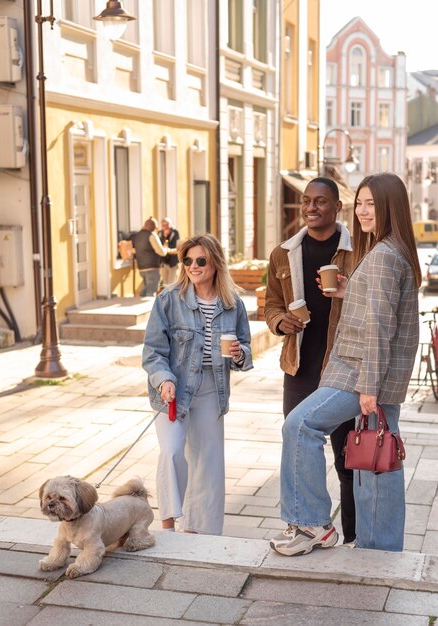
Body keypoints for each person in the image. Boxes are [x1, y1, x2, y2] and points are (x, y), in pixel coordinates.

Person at [270, 173, 421, 556]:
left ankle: (310, 524)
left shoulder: (385, 255)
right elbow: (377, 308)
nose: (363, 211)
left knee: (300, 425)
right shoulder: (389, 249)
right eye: (361, 203)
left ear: (390, 207)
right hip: (371, 373)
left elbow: (379, 326)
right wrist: (346, 290)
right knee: (375, 459)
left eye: (371, 204)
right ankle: (378, 547)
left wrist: (369, 385)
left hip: (360, 373)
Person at [264, 176, 356, 544]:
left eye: (320, 202)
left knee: (349, 460)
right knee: (298, 446)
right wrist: (278, 321)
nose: (311, 208)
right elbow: (271, 303)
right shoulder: (283, 254)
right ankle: (305, 525)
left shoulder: (356, 250)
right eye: (306, 201)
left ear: (337, 207)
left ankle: (355, 536)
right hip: (300, 368)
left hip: (342, 368)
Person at [142, 234, 253, 534]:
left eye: (201, 260)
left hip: (211, 387)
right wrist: (164, 379)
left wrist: (240, 353)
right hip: (173, 389)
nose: (193, 266)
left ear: (216, 263)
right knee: (172, 452)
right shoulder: (168, 299)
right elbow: (153, 352)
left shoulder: (232, 304)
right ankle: (167, 527)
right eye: (188, 260)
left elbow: (245, 349)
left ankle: (200, 532)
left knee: (208, 463)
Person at [133, 218, 168, 297]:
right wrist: (165, 248)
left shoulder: (137, 235)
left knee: (144, 290)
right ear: (153, 227)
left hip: (141, 267)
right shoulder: (152, 235)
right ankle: (150, 308)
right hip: (152, 267)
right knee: (151, 293)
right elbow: (161, 251)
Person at [159, 217, 180, 286]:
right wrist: (165, 237)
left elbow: (174, 245)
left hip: (172, 262)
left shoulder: (175, 232)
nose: (165, 227)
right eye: (163, 225)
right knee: (165, 283)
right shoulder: (159, 233)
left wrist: (166, 237)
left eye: (167, 225)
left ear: (170, 224)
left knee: (172, 283)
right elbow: (160, 246)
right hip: (163, 262)